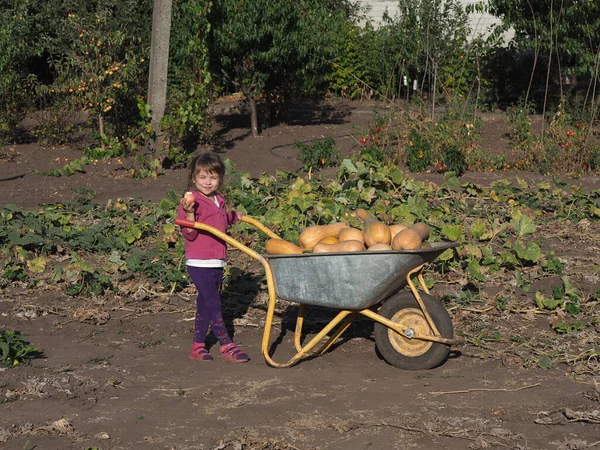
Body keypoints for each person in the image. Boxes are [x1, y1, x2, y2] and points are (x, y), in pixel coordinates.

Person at [177, 152, 249, 363]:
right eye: (203, 178)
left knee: (205, 303)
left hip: (217, 260)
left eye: (213, 178)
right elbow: (189, 234)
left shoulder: (219, 200)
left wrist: (235, 217)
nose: (208, 182)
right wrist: (189, 214)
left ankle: (197, 346)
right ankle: (226, 345)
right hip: (199, 261)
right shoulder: (190, 201)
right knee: (214, 303)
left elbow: (221, 221)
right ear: (193, 178)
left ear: (220, 179)